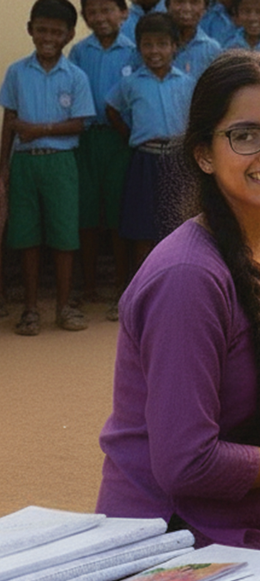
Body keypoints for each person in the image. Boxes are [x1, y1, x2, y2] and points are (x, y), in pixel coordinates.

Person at [97, 50, 260, 550]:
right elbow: (187, 466)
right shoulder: (188, 277)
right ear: (204, 154)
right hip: (169, 543)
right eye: (245, 136)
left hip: (251, 529)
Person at [2, 0, 96, 335]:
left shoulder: (76, 76)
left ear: (70, 35)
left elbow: (80, 124)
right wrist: (4, 168)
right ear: (30, 29)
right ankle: (29, 310)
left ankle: (64, 307)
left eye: (56, 32)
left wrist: (39, 130)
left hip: (61, 164)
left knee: (64, 235)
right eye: (41, 29)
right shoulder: (16, 72)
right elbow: (9, 121)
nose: (48, 37)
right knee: (26, 236)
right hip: (25, 162)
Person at [108, 13, 197, 263]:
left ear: (174, 46)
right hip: (145, 160)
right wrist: (130, 135)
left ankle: (176, 281)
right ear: (138, 48)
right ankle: (143, 288)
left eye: (162, 44)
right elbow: (111, 109)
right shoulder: (131, 84)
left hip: (177, 159)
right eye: (147, 44)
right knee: (142, 228)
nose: (154, 50)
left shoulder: (186, 83)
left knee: (178, 224)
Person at [70, 0, 140, 321]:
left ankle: (122, 286)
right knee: (86, 214)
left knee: (117, 212)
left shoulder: (133, 50)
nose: (101, 18)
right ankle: (87, 287)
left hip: (121, 138)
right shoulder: (79, 52)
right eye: (93, 12)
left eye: (107, 10)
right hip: (86, 138)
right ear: (85, 17)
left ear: (124, 13)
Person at [168, 0, 225, 75]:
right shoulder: (154, 47)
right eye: (180, 1)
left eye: (194, 2)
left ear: (205, 8)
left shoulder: (211, 50)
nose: (187, 8)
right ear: (168, 6)